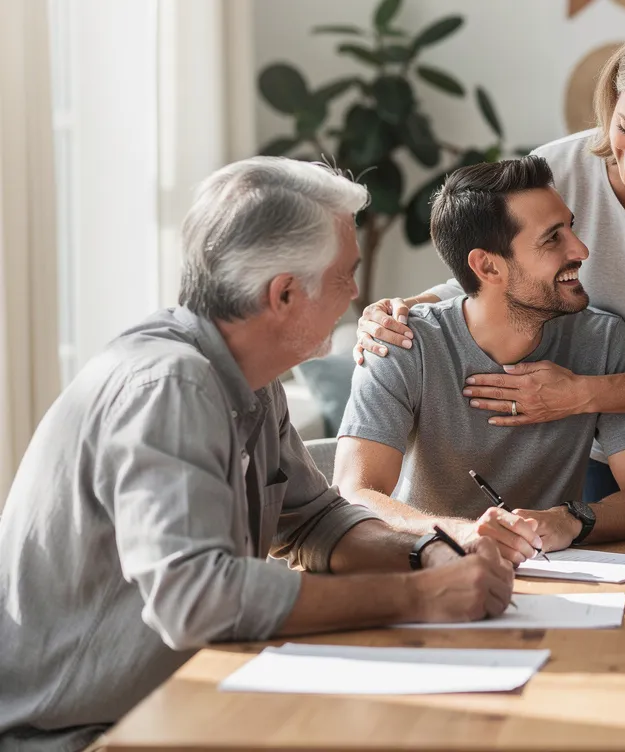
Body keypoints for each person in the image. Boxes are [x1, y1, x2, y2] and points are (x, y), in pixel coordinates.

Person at [0, 158, 515, 751]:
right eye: (346, 274)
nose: (358, 294)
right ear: (285, 294)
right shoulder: (170, 386)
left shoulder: (249, 375)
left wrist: (429, 549)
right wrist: (421, 597)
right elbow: (196, 600)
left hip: (184, 704)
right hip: (76, 736)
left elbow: (317, 520)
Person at [351, 22, 625, 495]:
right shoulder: (559, 169)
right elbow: (498, 270)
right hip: (603, 433)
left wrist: (579, 393)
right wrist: (402, 311)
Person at [334, 157, 625, 564]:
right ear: (488, 266)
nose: (580, 249)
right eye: (552, 239)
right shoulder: (401, 343)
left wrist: (572, 519)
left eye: (571, 227)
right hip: (424, 567)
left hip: (553, 575)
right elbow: (356, 494)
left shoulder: (603, 341)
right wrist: (461, 533)